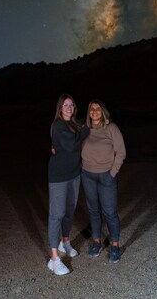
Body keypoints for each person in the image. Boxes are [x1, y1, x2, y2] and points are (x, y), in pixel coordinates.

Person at [47, 94, 89, 275]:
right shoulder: (58, 125)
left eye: (72, 105)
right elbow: (72, 145)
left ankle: (65, 241)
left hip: (74, 174)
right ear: (60, 107)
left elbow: (86, 124)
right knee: (57, 213)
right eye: (65, 105)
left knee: (69, 210)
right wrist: (85, 131)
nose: (69, 108)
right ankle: (54, 259)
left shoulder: (75, 123)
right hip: (58, 176)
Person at [81, 99, 126, 263]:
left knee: (110, 212)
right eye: (91, 109)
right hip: (88, 175)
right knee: (93, 210)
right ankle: (97, 242)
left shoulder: (111, 128)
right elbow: (72, 144)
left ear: (103, 112)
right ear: (89, 112)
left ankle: (115, 245)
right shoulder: (85, 129)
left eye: (97, 109)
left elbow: (121, 152)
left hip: (106, 175)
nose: (94, 111)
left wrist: (112, 173)